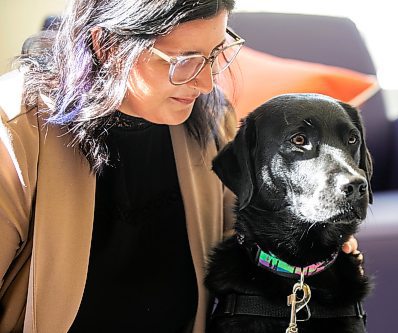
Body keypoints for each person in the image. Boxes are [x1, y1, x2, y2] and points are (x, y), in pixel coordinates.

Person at [0, 0, 362, 332]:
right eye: (184, 61)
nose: (206, 84)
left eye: (216, 53)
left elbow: (243, 238)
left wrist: (311, 250)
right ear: (106, 46)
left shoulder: (211, 120)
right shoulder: (14, 133)